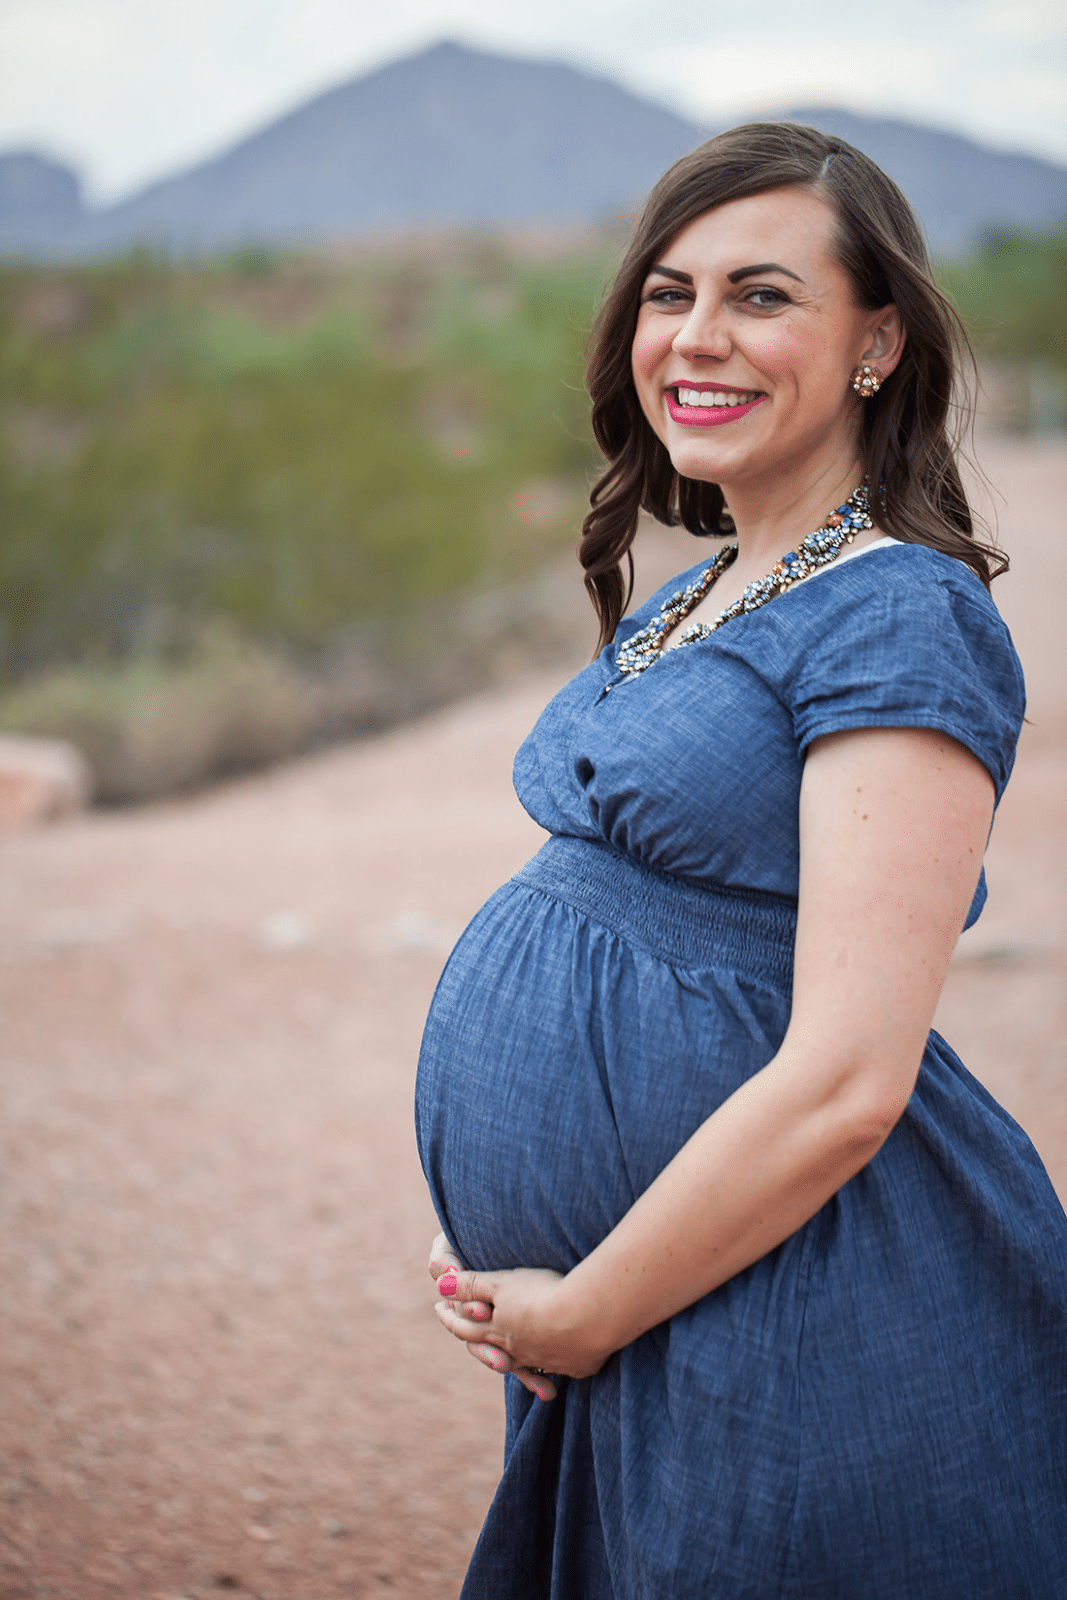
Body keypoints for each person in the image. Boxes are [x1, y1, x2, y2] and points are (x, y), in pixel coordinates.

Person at [414, 122, 1067, 1599]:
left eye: (762, 295)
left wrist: (581, 1313)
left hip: (804, 1302)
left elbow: (846, 1078)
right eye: (667, 292)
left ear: (875, 343)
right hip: (654, 1287)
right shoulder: (708, 588)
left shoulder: (897, 613)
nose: (696, 336)